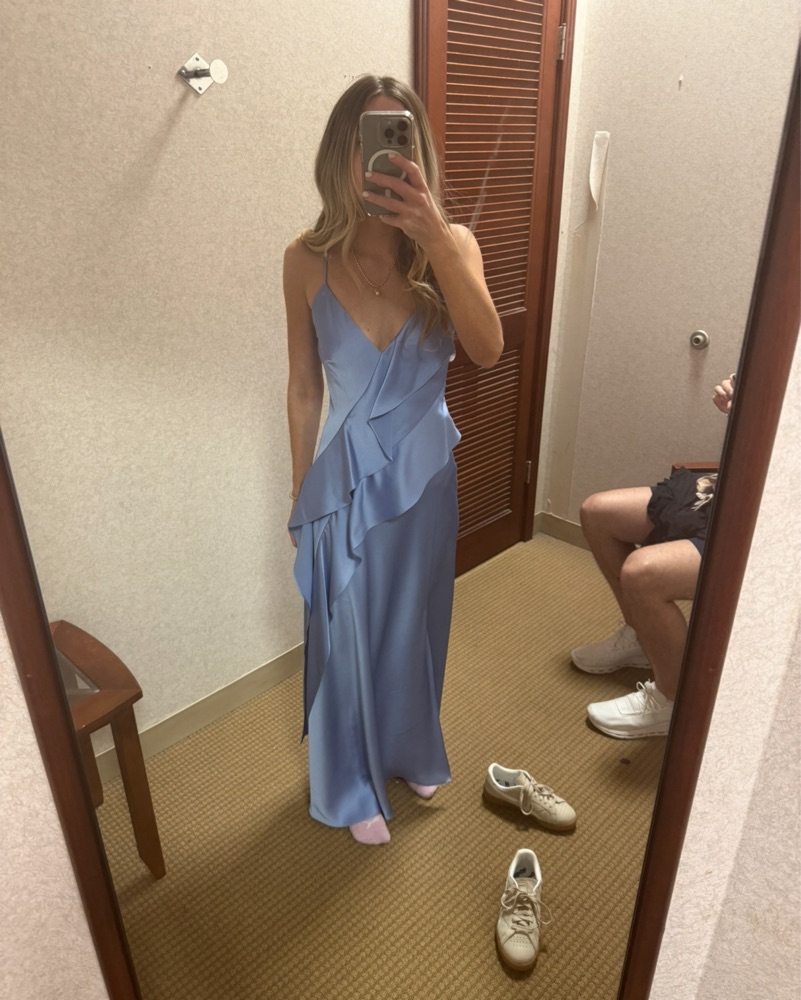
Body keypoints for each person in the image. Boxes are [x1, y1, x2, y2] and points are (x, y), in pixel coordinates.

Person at [284, 76, 503, 844]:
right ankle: (349, 782)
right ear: (340, 155)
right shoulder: (304, 259)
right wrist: (298, 492)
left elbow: (487, 349)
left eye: (397, 140)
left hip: (427, 477)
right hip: (342, 485)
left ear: (417, 153)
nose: (379, 160)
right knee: (348, 630)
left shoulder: (453, 246)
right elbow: (304, 386)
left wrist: (436, 239)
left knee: (414, 620)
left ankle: (408, 750)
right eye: (365, 143)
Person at [571, 374, 736, 738]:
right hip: (729, 490)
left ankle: (674, 700)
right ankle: (642, 638)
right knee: (597, 513)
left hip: (775, 524)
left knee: (642, 574)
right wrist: (735, 401)